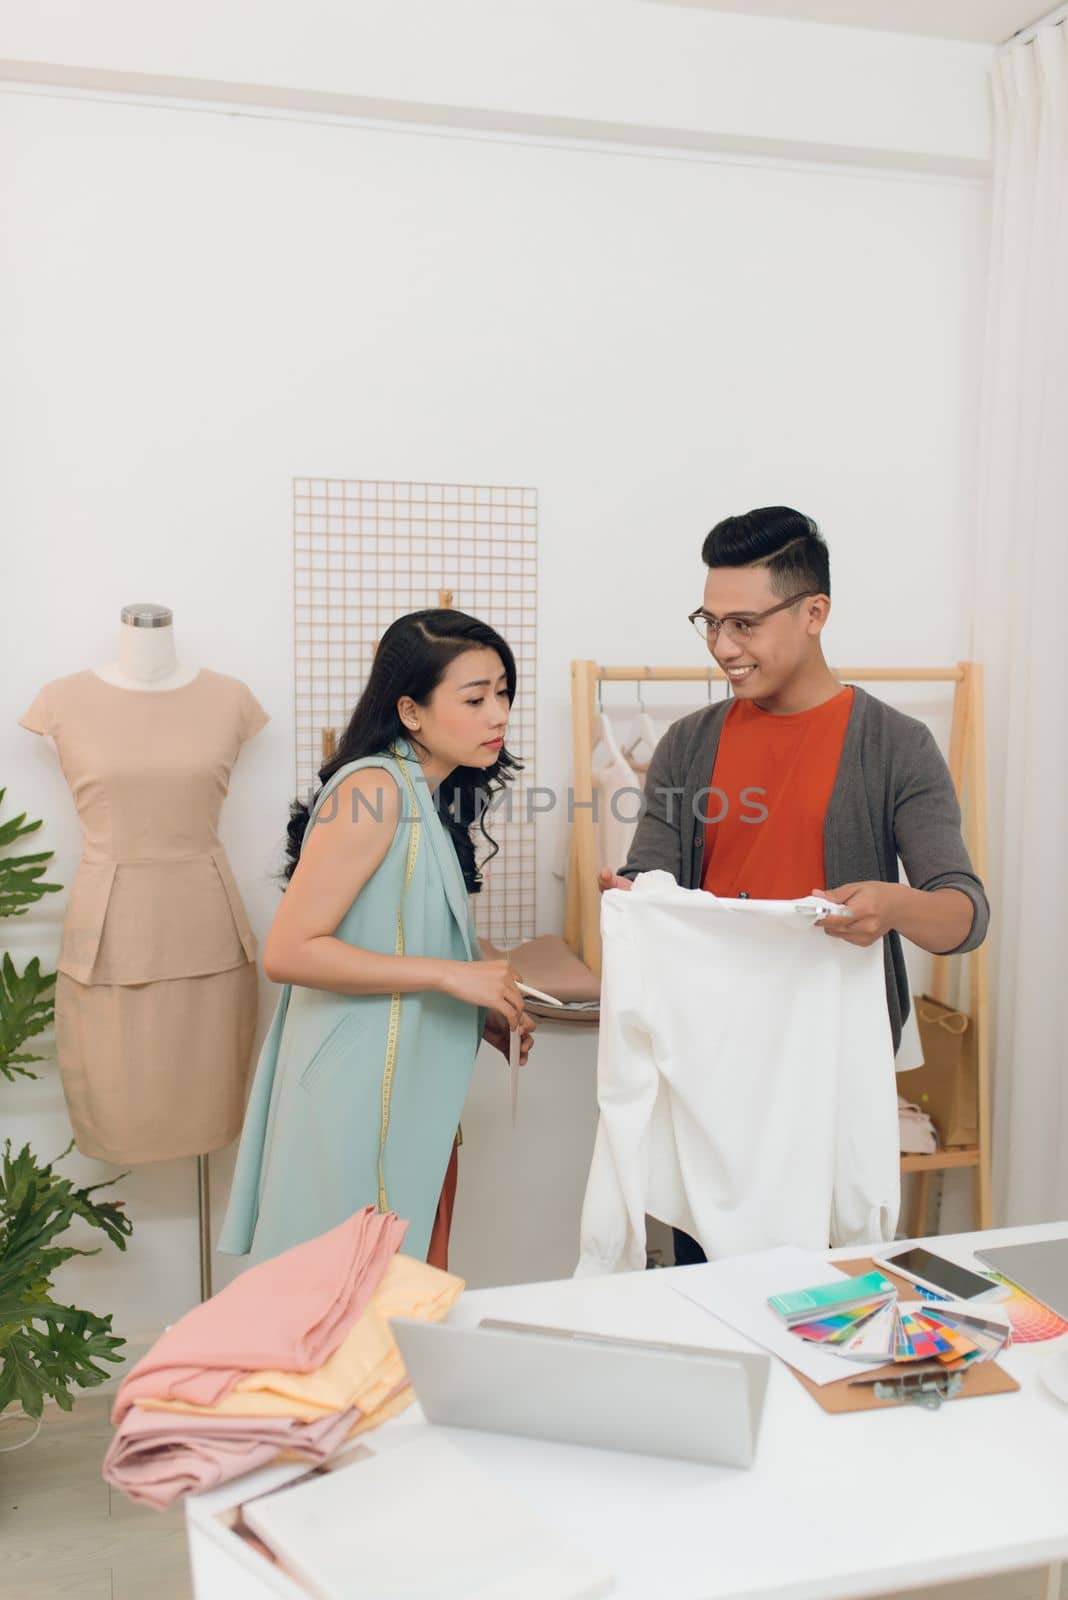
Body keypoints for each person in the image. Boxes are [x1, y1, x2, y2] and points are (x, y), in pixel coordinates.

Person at [597, 506, 989, 1265]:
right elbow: (656, 871)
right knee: (702, 1268)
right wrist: (638, 897)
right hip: (707, 1061)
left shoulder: (895, 747)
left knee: (831, 1276)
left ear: (815, 613)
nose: (722, 647)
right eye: (709, 623)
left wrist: (895, 904)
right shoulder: (688, 744)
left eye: (743, 624)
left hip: (829, 1060)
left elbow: (963, 914)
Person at [220, 609, 535, 1270]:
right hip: (359, 1098)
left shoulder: (425, 795)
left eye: (503, 693)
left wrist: (475, 1011)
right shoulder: (375, 789)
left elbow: (393, 930)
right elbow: (290, 951)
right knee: (358, 1302)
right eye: (475, 699)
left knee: (395, 1297)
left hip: (399, 1086)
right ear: (412, 712)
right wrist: (451, 977)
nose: (497, 715)